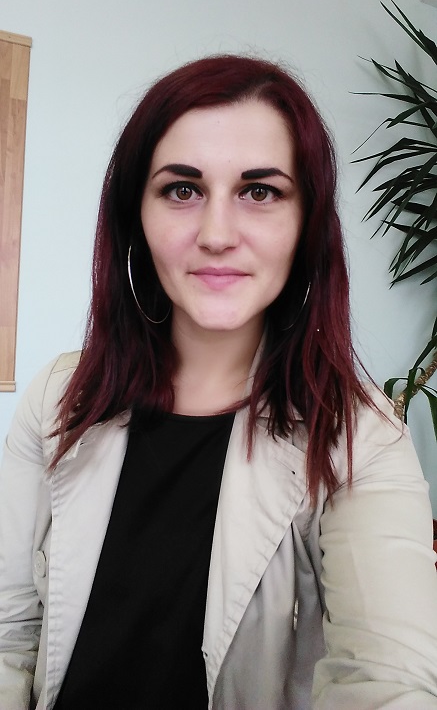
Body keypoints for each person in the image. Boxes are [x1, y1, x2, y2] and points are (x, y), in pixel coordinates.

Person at [1, 55, 437, 710]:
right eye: (182, 190)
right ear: (135, 215)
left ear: (306, 223)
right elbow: (8, 634)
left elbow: (387, 681)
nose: (216, 235)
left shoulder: (361, 437)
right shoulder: (59, 398)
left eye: (259, 192)